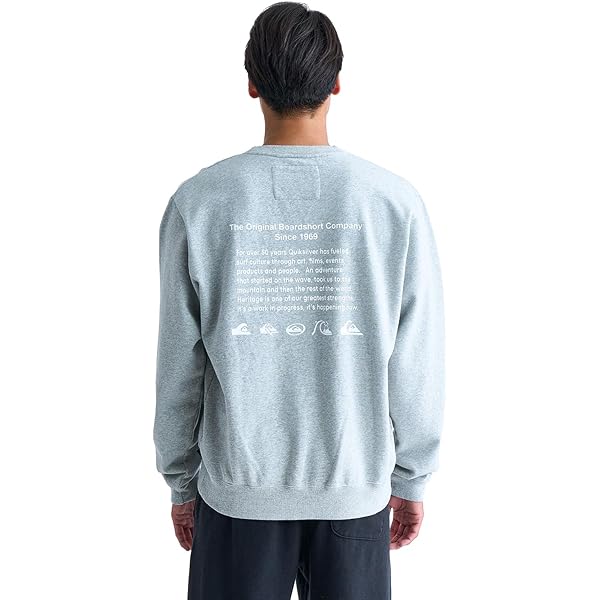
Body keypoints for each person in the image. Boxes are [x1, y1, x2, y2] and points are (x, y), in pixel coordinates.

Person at [153, 2, 445, 598]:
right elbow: (416, 358)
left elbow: (179, 361)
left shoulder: (199, 202)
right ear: (336, 83)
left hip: (238, 492)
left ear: (251, 83)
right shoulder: (393, 204)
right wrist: (411, 476)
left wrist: (182, 481)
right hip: (353, 487)